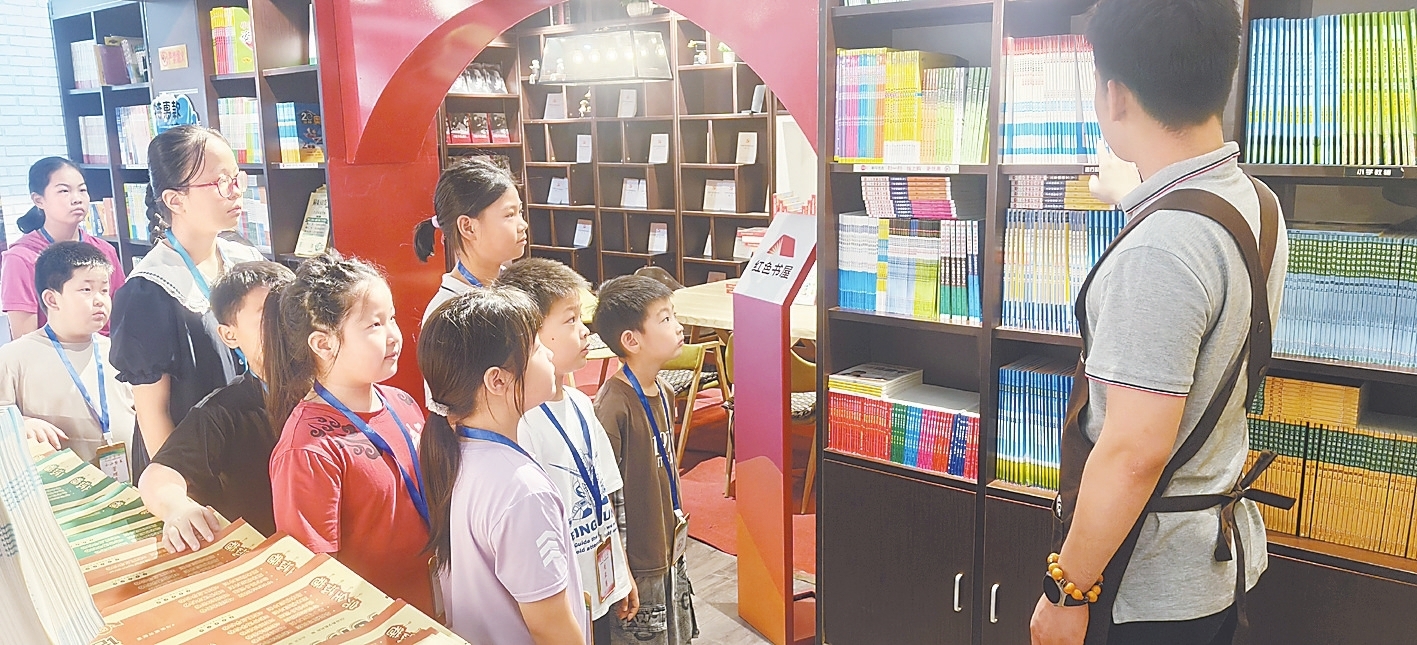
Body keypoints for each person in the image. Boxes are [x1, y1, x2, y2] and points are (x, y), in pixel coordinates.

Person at [1030, 1, 1290, 645]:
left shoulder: (1161, 250)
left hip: (1141, 588)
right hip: (1211, 563)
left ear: (1114, 95)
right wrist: (1137, 200)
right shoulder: (1255, 202)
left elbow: (1134, 451)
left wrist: (1067, 590)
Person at [265, 253, 434, 615]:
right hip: (373, 624)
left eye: (392, 318)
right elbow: (313, 574)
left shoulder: (402, 402)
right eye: (375, 325)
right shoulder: (308, 449)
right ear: (323, 344)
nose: (393, 335)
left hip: (435, 611)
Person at [420, 287, 589, 645]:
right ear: (497, 380)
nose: (549, 354)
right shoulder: (522, 491)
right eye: (537, 348)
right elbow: (550, 627)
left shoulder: (459, 449)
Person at [109, 126, 265, 477]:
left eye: (236, 178)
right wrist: (182, 491)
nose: (235, 191)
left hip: (254, 440)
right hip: (195, 465)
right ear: (175, 200)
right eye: (220, 182)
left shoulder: (246, 258)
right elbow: (154, 415)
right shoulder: (147, 291)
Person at [500, 258, 639, 644]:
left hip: (600, 582)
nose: (584, 331)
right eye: (570, 320)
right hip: (563, 599)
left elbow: (604, 496)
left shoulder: (580, 403)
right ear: (531, 335)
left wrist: (621, 572)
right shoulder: (523, 423)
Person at [139, 261, 295, 548]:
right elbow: (159, 476)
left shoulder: (335, 387)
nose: (284, 325)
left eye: (290, 311)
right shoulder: (222, 412)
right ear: (229, 335)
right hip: (270, 556)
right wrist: (177, 507)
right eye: (267, 316)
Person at [592, 275, 697, 645]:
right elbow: (604, 497)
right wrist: (620, 569)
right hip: (637, 562)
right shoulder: (613, 405)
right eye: (665, 319)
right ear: (631, 340)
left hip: (668, 547)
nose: (678, 326)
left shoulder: (664, 391)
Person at [0, 241, 135, 464]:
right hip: (62, 482)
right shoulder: (14, 357)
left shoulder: (120, 351)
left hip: (131, 478)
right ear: (52, 299)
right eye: (86, 290)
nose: (100, 300)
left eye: (104, 290)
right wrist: (21, 423)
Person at [2, 157, 126, 338]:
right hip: (50, 353)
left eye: (82, 190)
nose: (77, 199)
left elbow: (122, 317)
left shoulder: (105, 251)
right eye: (64, 191)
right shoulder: (21, 258)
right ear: (38, 200)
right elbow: (25, 339)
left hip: (106, 351)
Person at [413, 157, 526, 322]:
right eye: (509, 215)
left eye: (520, 212)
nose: (523, 225)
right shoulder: (447, 315)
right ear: (468, 227)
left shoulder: (520, 286)